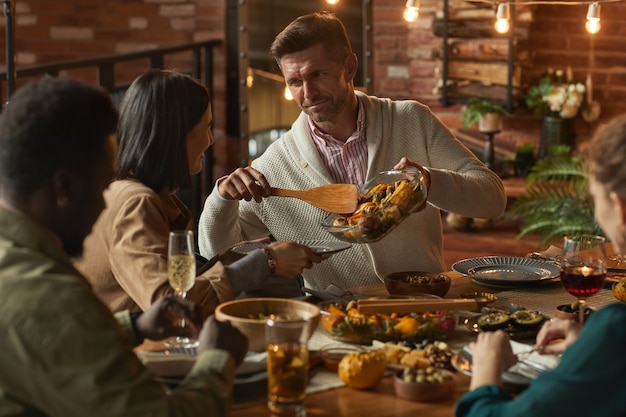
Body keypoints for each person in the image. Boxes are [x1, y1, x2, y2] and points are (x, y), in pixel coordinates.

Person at [198, 11, 507, 292]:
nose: (307, 93)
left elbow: (493, 199)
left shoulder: (411, 120)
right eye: (294, 81)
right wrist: (222, 199)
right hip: (336, 323)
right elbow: (217, 256)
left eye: (317, 75)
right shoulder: (272, 168)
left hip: (424, 302)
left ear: (349, 67)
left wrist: (427, 182)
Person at [0, 76, 249, 416]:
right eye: (102, 187)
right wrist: (217, 359)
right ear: (63, 187)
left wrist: (133, 327)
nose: (105, 207)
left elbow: (54, 341)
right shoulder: (48, 297)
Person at [74, 69, 321, 320]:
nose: (211, 140)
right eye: (207, 127)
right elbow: (171, 305)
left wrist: (224, 262)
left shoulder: (130, 193)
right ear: (177, 134)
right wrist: (266, 261)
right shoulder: (136, 202)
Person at [455, 115, 626, 417]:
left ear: (620, 208)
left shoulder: (615, 330)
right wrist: (587, 353)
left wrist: (484, 376)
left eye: (595, 198)